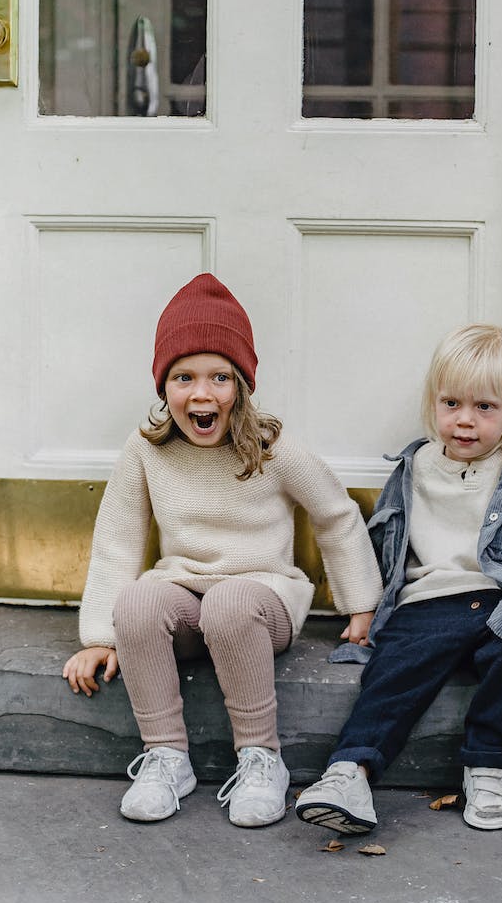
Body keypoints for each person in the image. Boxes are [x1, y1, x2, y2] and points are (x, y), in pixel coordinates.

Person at [62, 273, 381, 828]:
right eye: (183, 377)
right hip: (186, 599)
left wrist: (361, 602)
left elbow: (336, 513)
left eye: (218, 377)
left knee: (230, 602)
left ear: (242, 386)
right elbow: (118, 539)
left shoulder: (272, 446)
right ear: (164, 387)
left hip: (261, 601)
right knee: (139, 600)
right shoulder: (146, 449)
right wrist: (99, 637)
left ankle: (262, 759)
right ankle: (167, 757)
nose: (201, 393)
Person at [296, 323, 502, 835]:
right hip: (430, 603)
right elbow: (384, 548)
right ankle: (349, 772)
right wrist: (364, 608)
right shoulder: (412, 467)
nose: (465, 421)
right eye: (452, 403)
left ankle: (488, 765)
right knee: (394, 671)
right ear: (434, 403)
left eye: (484, 407)